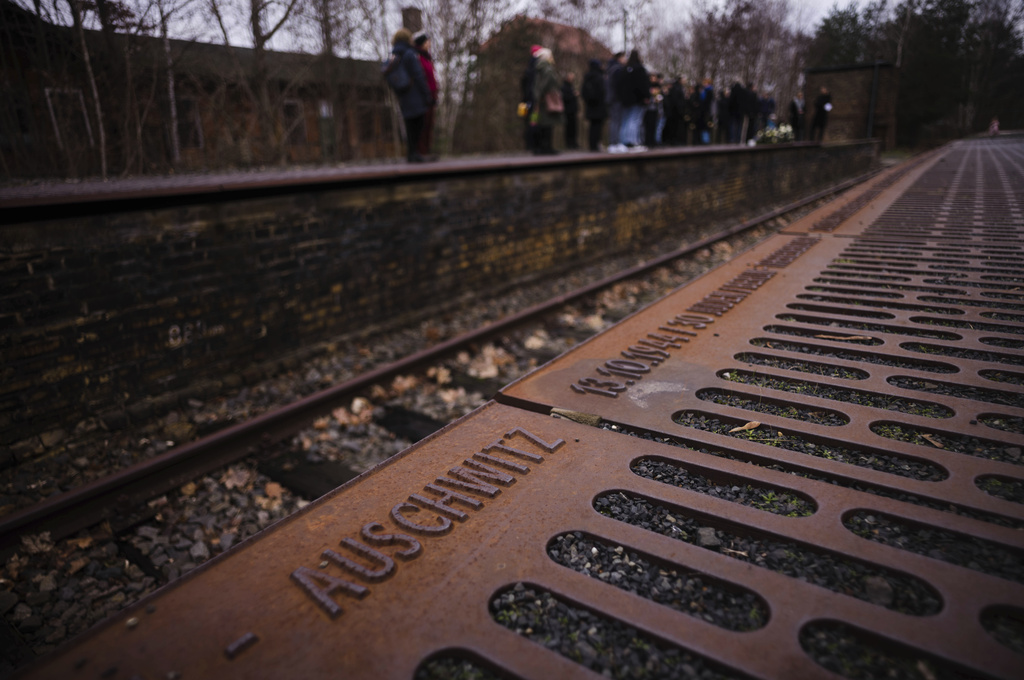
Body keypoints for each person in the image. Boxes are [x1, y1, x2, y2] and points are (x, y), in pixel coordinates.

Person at [388, 28, 431, 162]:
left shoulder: (394, 55)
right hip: (415, 94)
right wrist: (426, 94)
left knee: (409, 124)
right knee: (418, 123)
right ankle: (414, 154)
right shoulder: (409, 54)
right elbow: (418, 75)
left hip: (403, 94)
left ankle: (411, 153)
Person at [614, 49, 650, 152]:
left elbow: (619, 85)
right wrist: (646, 96)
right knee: (635, 120)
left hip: (626, 100)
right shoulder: (639, 69)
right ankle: (632, 142)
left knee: (625, 120)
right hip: (637, 100)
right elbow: (643, 85)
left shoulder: (625, 69)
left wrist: (622, 97)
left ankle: (624, 141)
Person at [531, 47, 561, 155]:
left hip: (541, 99)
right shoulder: (547, 68)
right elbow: (547, 82)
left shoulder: (539, 67)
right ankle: (546, 148)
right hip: (546, 99)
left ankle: (542, 147)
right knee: (547, 124)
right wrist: (542, 94)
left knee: (540, 123)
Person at [414, 33, 438, 159]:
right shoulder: (418, 57)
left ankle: (426, 151)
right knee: (422, 125)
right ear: (422, 43)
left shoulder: (427, 57)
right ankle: (421, 151)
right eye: (428, 41)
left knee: (429, 124)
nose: (429, 44)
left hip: (431, 95)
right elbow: (421, 78)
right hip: (424, 96)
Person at [581, 59, 607, 151]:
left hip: (590, 106)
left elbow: (583, 92)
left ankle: (592, 145)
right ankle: (596, 144)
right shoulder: (600, 77)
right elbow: (603, 91)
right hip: (599, 106)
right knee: (598, 126)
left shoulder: (587, 77)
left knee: (592, 126)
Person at [605, 52, 626, 151]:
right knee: (616, 121)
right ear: (619, 58)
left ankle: (615, 143)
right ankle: (614, 143)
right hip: (616, 99)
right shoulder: (617, 69)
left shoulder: (611, 69)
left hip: (612, 98)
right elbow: (619, 86)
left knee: (615, 121)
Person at [562, 71, 580, 150]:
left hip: (572, 109)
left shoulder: (570, 86)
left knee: (574, 127)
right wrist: (573, 95)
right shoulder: (564, 87)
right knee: (569, 127)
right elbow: (565, 97)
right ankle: (569, 143)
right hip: (568, 110)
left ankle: (573, 143)